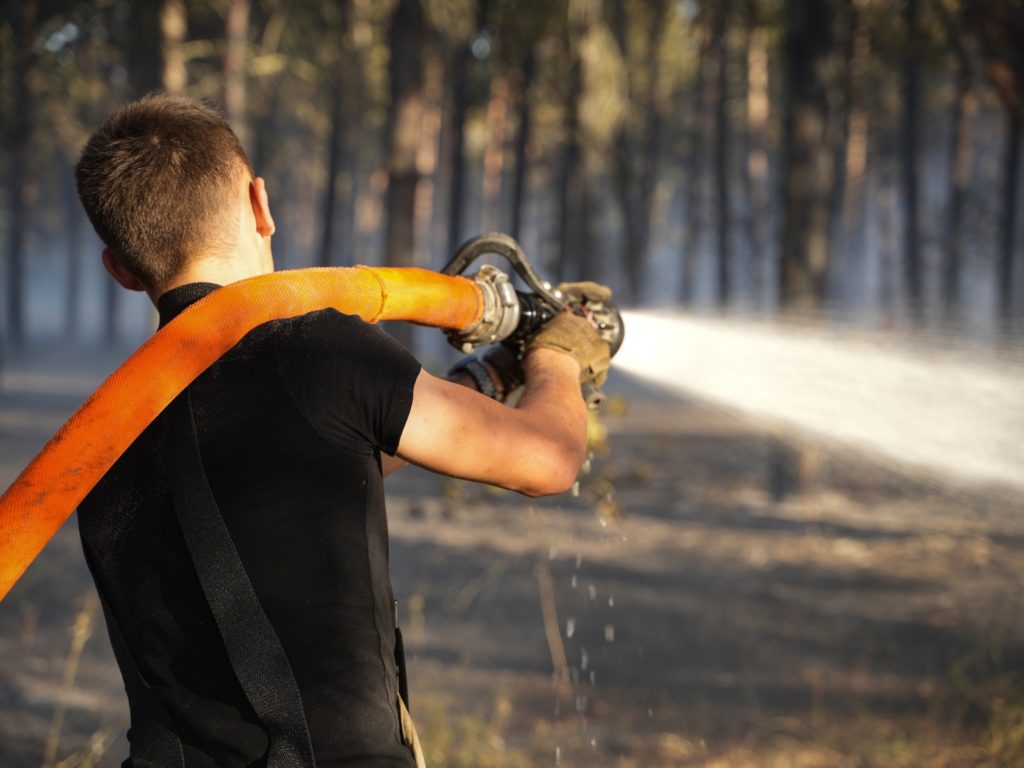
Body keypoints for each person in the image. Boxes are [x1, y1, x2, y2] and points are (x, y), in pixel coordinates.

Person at [73, 92, 610, 767]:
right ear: (261, 205)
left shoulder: (97, 442)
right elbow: (549, 459)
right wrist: (561, 357)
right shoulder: (319, 352)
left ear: (118, 268)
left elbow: (308, 470)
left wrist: (487, 383)